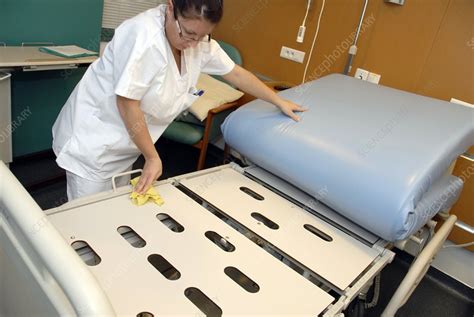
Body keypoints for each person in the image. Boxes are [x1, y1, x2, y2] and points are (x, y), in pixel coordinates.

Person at [52, 0, 305, 201]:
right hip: (94, 140)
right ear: (171, 7)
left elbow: (236, 73)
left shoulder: (198, 42)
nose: (192, 43)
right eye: (189, 33)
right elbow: (127, 103)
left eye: (202, 36)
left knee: (115, 207)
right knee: (86, 220)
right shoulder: (142, 36)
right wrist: (152, 157)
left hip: (129, 142)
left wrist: (277, 101)